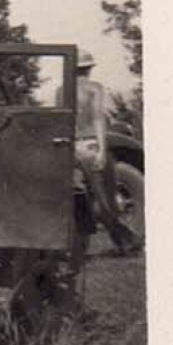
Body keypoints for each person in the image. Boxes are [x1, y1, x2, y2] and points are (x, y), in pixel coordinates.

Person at [74, 50, 141, 254]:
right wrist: (102, 150)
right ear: (89, 69)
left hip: (72, 147)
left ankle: (81, 247)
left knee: (79, 199)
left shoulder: (62, 90)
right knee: (107, 201)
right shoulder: (95, 88)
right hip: (91, 144)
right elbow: (98, 119)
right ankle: (125, 242)